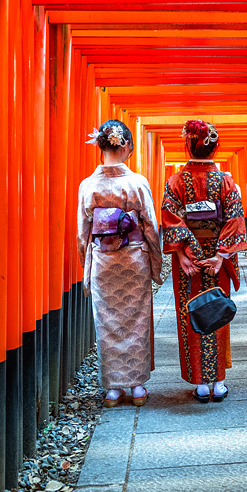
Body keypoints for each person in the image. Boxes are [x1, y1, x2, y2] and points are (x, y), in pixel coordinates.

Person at [76, 120, 163, 407]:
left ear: (99, 146)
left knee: (108, 322)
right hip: (133, 259)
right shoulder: (137, 183)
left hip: (103, 260)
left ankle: (113, 389)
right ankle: (137, 387)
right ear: (126, 146)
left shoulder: (88, 186)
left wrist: (86, 265)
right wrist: (156, 263)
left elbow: (83, 233)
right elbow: (150, 226)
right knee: (136, 320)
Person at [161, 119, 247, 402]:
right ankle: (219, 382)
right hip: (216, 258)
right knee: (217, 312)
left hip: (188, 262)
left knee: (191, 314)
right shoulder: (226, 181)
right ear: (214, 147)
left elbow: (171, 219)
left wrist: (183, 254)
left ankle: (200, 384)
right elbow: (234, 219)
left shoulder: (176, 181)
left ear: (187, 144)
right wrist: (221, 257)